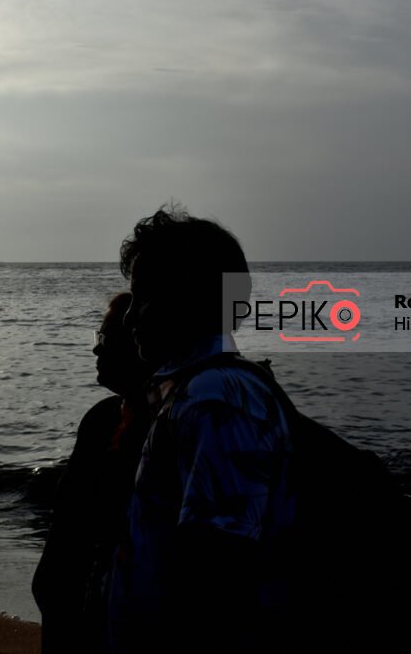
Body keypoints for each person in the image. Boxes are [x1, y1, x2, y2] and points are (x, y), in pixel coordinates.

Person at [106, 207, 292, 653]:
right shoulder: (194, 392)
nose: (131, 318)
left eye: (145, 296)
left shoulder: (215, 400)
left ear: (192, 297)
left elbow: (220, 575)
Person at [33, 293, 155, 653]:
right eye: (97, 339)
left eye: (105, 340)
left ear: (135, 343)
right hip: (69, 599)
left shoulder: (162, 428)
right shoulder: (102, 418)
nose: (96, 351)